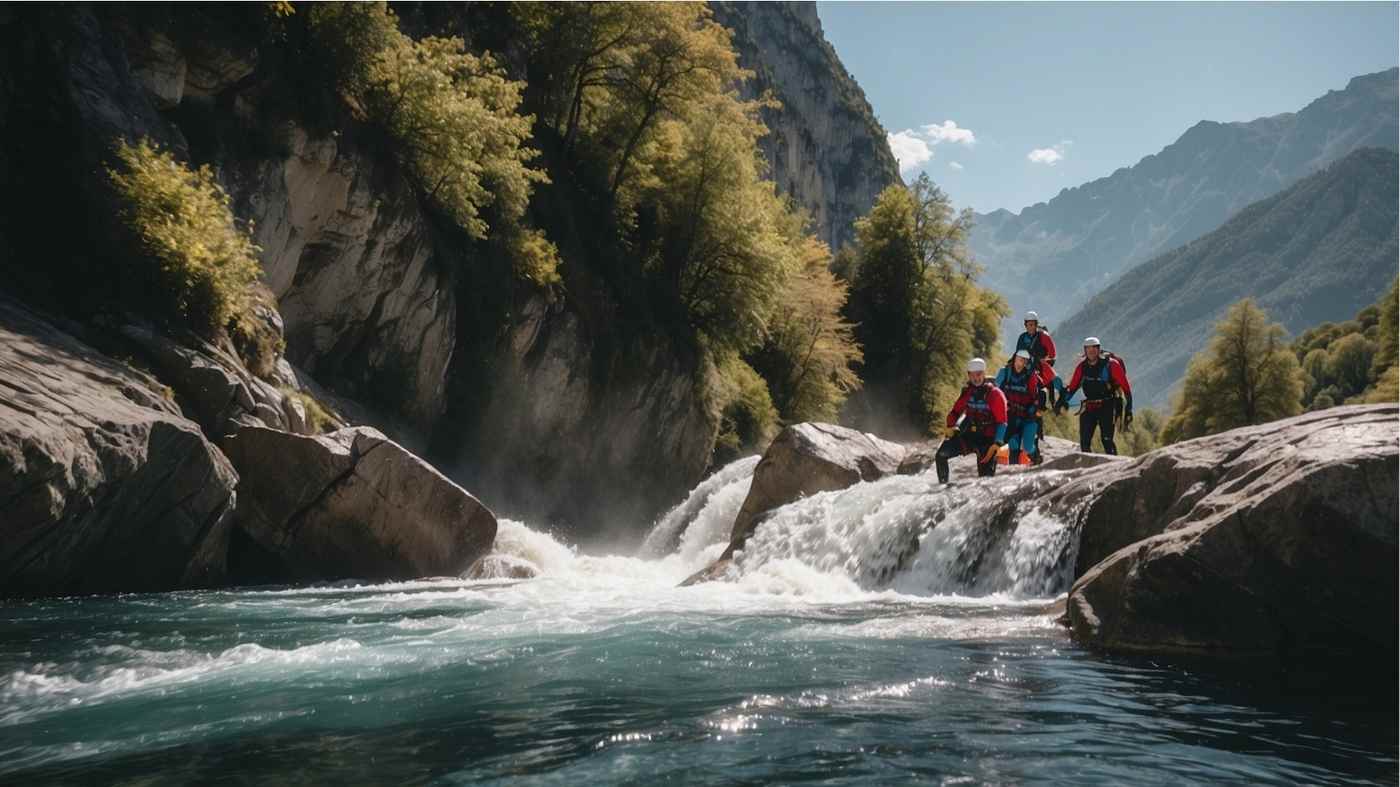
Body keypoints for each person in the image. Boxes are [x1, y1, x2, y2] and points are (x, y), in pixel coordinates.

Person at [1055, 337, 1133, 455]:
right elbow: (1073, 387)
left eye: (1094, 348)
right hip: (1089, 406)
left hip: (1108, 405)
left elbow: (1126, 389)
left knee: (1107, 440)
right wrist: (1061, 402)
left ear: (1099, 349)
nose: (1091, 351)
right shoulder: (1082, 367)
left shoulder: (1111, 365)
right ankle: (1089, 470)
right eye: (1088, 348)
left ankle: (1112, 468)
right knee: (1084, 443)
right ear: (1085, 350)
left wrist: (1128, 409)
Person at [935, 358, 1008, 483]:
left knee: (985, 480)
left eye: (979, 374)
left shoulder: (995, 394)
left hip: (987, 440)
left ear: (984, 373)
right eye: (972, 375)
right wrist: (949, 426)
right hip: (968, 435)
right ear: (968, 375)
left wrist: (997, 443)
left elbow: (1002, 422)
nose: (976, 378)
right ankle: (942, 486)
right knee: (941, 455)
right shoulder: (967, 392)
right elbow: (955, 412)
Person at [995, 349, 1042, 465]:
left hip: (1027, 417)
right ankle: (1014, 469)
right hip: (1010, 416)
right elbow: (995, 392)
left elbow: (1036, 398)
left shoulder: (1030, 376)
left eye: (1025, 361)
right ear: (1015, 358)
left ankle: (1035, 455)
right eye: (1020, 359)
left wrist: (1032, 409)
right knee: (1012, 444)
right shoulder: (1004, 373)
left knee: (1027, 447)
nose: (1022, 363)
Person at [1013, 310, 1065, 407]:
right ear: (1026, 325)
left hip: (1040, 364)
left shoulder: (1044, 336)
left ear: (1036, 324)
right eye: (1029, 325)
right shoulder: (1022, 337)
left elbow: (1052, 354)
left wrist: (1044, 361)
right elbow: (1018, 353)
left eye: (1033, 324)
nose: (1031, 327)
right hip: (1025, 364)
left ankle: (1060, 400)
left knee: (1055, 380)